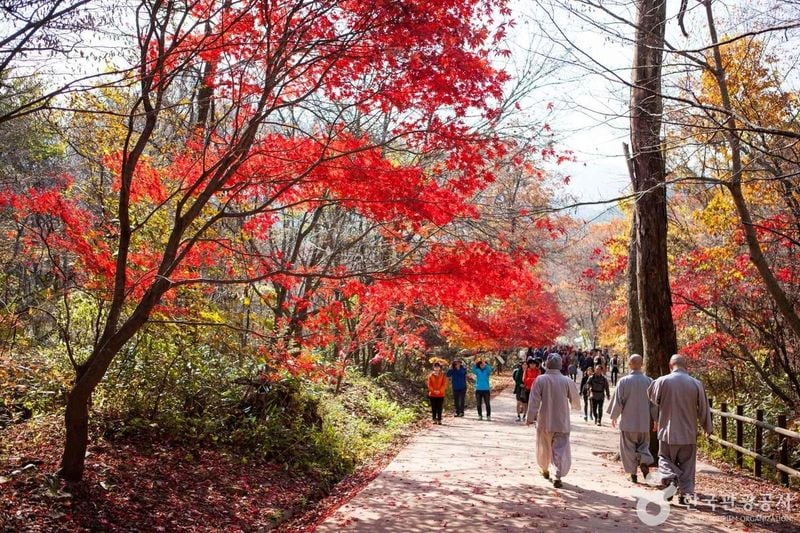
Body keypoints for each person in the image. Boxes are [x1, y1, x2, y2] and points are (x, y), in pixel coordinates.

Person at [648, 354, 713, 503]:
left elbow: (652, 397)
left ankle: (670, 479)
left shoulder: (662, 381)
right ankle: (685, 495)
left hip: (667, 432)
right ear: (686, 366)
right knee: (687, 465)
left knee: (664, 459)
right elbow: (703, 407)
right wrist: (707, 426)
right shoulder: (696, 384)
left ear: (670, 366)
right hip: (688, 433)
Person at [526, 353, 581, 488]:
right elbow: (575, 400)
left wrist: (530, 417)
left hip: (545, 420)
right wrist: (575, 407)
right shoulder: (567, 381)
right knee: (560, 449)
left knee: (544, 447)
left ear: (546, 364)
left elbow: (534, 401)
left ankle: (545, 469)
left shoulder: (540, 380)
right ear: (561, 365)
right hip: (562, 420)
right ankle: (557, 474)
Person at [607, 354, 657, 483]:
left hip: (628, 423)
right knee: (644, 446)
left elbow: (618, 401)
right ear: (642, 364)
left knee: (627, 448)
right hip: (644, 423)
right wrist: (656, 420)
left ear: (629, 364)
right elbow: (653, 404)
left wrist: (614, 416)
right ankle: (644, 462)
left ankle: (633, 474)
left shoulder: (624, 381)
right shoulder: (649, 381)